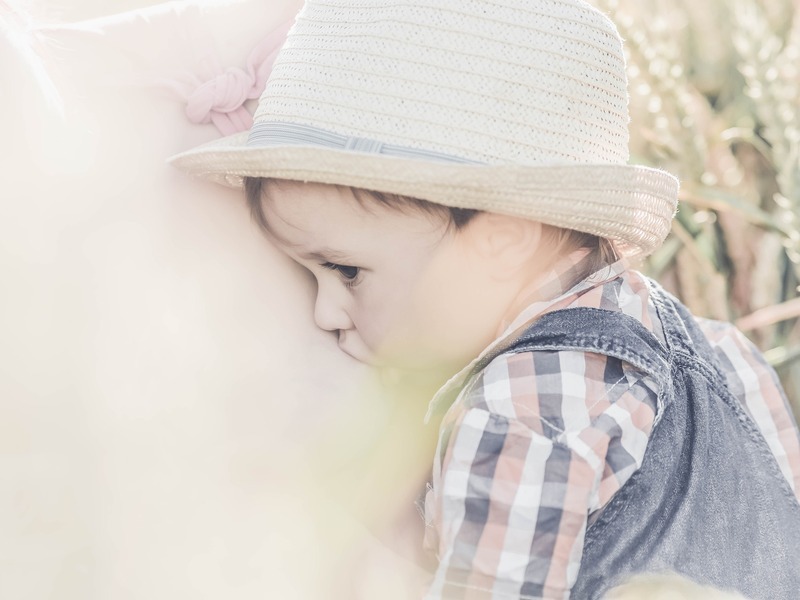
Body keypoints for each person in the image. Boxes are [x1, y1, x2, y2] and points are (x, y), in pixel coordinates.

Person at [170, 0, 800, 597]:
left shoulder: (520, 408)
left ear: (501, 243)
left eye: (347, 271)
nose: (325, 314)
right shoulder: (724, 351)